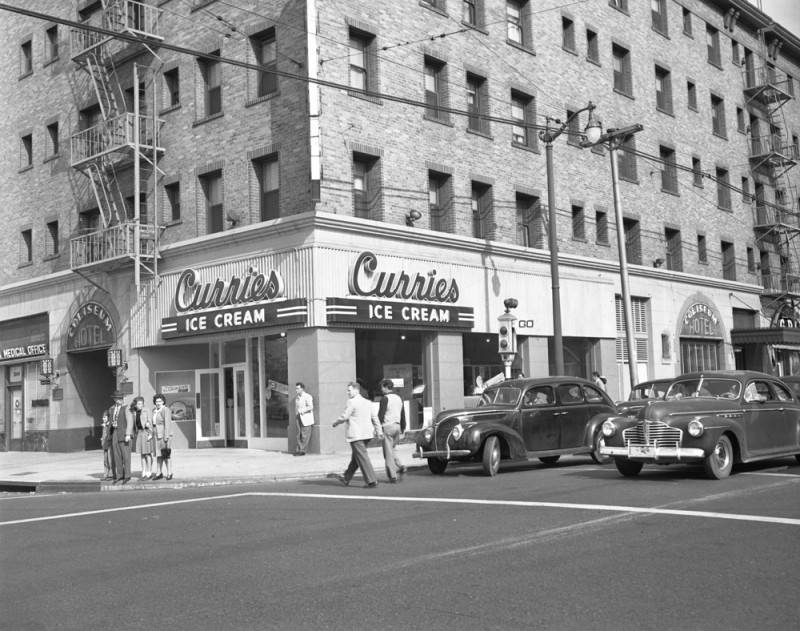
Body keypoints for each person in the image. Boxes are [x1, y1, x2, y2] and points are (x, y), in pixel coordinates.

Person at [331, 381, 381, 488]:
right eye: (347, 390)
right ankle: (346, 477)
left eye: (349, 390)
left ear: (356, 390)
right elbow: (375, 418)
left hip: (356, 435)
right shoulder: (368, 402)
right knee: (357, 457)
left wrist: (335, 423)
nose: (347, 392)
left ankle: (371, 481)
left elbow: (344, 417)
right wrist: (379, 431)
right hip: (367, 434)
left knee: (362, 458)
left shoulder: (351, 402)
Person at [376, 379, 407, 483]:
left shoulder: (385, 399)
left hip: (388, 427)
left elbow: (381, 415)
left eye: (381, 387)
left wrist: (377, 428)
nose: (381, 389)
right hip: (397, 427)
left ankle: (392, 475)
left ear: (385, 387)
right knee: (392, 449)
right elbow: (403, 415)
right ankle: (400, 465)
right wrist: (403, 428)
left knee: (388, 453)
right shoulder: (399, 398)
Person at [107, 390, 132, 484]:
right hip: (115, 433)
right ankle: (119, 475)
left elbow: (130, 421)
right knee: (117, 456)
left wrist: (128, 434)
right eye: (117, 398)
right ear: (114, 399)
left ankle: (127, 475)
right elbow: (110, 421)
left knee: (126, 456)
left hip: (124, 433)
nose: (119, 400)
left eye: (120, 398)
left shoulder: (127, 407)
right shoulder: (112, 408)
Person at [130, 396, 155, 480]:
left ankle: (149, 472)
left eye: (141, 403)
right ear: (136, 404)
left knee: (148, 454)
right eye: (138, 403)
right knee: (142, 454)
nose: (140, 405)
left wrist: (150, 433)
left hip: (146, 432)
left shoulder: (146, 410)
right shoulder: (134, 412)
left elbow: (150, 421)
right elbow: (134, 424)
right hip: (139, 433)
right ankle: (143, 472)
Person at [152, 393, 173, 480]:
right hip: (156, 435)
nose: (158, 403)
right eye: (156, 401)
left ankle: (169, 473)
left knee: (166, 455)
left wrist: (166, 437)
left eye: (160, 401)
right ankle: (159, 473)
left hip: (163, 435)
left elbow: (167, 424)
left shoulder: (165, 410)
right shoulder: (154, 410)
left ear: (163, 401)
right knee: (159, 455)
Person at [293, 382, 314, 456]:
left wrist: (302, 411)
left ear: (302, 389)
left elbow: (311, 407)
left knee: (305, 435)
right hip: (298, 418)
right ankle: (299, 449)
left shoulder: (307, 396)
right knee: (299, 434)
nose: (296, 390)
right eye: (296, 388)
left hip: (306, 418)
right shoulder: (297, 398)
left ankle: (302, 451)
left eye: (298, 388)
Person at [100, 411, 113, 481]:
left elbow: (110, 434)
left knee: (110, 460)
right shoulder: (104, 425)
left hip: (109, 444)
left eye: (105, 417)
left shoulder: (109, 425)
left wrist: (107, 426)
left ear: (108, 417)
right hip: (104, 444)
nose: (103, 419)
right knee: (105, 460)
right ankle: (105, 474)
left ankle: (111, 474)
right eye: (103, 417)